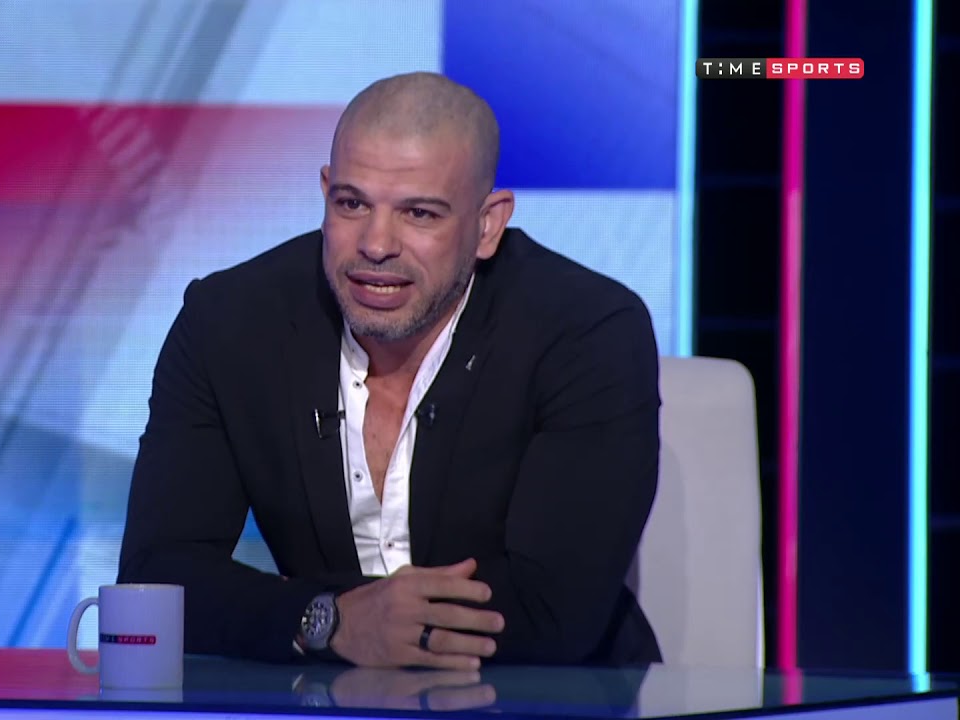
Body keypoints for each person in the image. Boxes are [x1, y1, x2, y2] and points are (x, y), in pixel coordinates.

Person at [118, 72, 661, 669]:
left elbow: (554, 609)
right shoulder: (229, 325)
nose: (376, 245)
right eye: (351, 204)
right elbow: (154, 582)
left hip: (559, 698)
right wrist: (330, 620)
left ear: (487, 225)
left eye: (419, 213)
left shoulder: (587, 332)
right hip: (324, 703)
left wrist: (343, 618)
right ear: (325, 193)